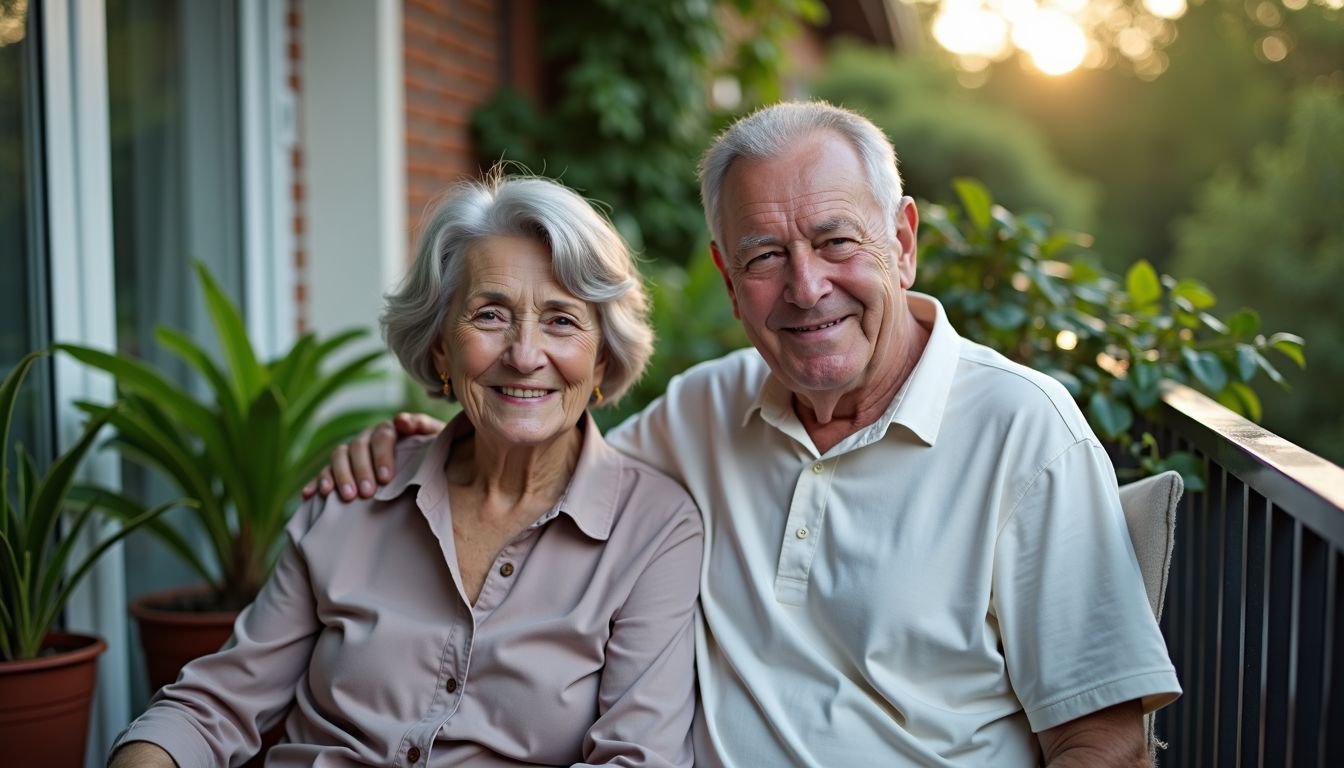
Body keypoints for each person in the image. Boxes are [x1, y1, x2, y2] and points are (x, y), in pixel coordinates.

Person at [313, 102, 1181, 766]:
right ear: (730, 282)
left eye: (837, 241)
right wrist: (424, 447)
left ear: (903, 242)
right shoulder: (701, 413)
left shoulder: (1022, 432)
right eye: (765, 255)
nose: (806, 288)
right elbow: (546, 455)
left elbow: (1103, 742)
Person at [109, 175, 703, 767]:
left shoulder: (653, 529)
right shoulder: (355, 492)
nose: (524, 356)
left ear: (602, 357)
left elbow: (636, 759)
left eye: (562, 321)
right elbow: (212, 707)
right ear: (442, 347)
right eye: (490, 315)